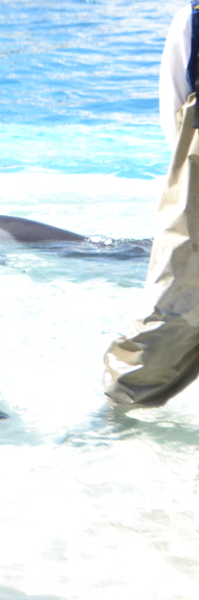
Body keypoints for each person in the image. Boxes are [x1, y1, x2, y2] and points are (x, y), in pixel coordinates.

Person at [103, 2, 199, 406]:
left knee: (170, 316)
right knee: (168, 318)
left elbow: (172, 119)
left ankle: (121, 409)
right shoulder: (191, 20)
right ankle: (119, 414)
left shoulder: (191, 20)